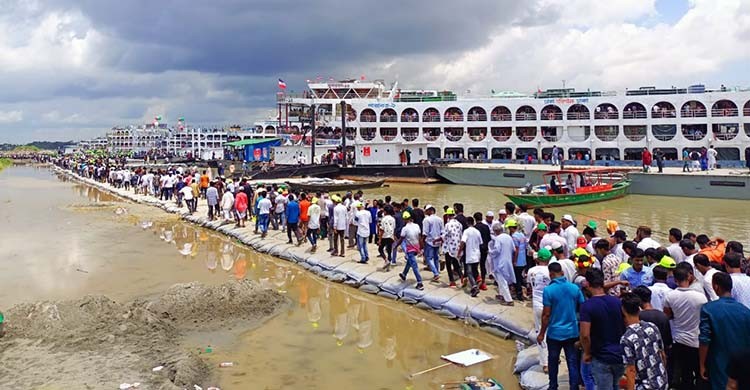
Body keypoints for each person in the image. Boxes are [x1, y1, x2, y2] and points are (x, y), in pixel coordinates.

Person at [698, 272, 750, 390]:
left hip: (719, 361)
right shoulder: (745, 310)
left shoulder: (708, 309)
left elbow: (704, 340)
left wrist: (702, 364)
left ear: (716, 287)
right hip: (741, 363)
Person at [538, 262, 584, 390]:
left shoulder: (548, 290)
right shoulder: (574, 288)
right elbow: (582, 307)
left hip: (554, 334)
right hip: (572, 332)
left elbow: (546, 315)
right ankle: (573, 387)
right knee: (572, 362)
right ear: (562, 273)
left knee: (553, 362)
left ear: (551, 274)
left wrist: (542, 333)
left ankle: (553, 386)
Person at [663, 265, 708, 389]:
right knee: (700, 372)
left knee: (685, 373)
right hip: (697, 340)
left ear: (675, 280)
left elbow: (668, 315)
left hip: (679, 339)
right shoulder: (700, 297)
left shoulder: (670, 296)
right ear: (688, 277)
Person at [579, 268, 625, 389]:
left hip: (601, 357)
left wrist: (587, 353)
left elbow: (585, 335)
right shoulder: (617, 302)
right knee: (616, 386)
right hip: (619, 355)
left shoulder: (587, 306)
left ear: (588, 284)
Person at [620, 292, 669, 390]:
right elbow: (662, 354)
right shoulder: (652, 327)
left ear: (623, 311)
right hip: (661, 382)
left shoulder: (626, 339)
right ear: (639, 310)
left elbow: (631, 371)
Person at [528, 248, 552, 371]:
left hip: (537, 304)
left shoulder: (531, 271)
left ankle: (545, 363)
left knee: (541, 333)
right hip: (550, 305)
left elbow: (529, 286)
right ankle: (553, 357)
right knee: (551, 332)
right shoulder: (550, 272)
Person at [488, 223, 515, 305]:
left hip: (500, 262)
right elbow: (513, 249)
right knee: (501, 280)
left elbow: (497, 250)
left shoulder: (498, 239)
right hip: (508, 260)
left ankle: (509, 300)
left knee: (502, 281)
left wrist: (490, 252)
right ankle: (501, 294)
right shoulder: (509, 237)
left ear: (495, 231)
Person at [396, 211, 423, 290]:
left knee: (414, 266)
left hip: (410, 249)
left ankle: (420, 283)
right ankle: (404, 274)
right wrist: (421, 247)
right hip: (416, 246)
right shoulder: (417, 226)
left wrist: (396, 246)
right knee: (409, 261)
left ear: (404, 219)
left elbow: (401, 239)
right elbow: (419, 237)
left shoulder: (405, 229)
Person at [458, 217, 483, 297]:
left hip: (469, 254)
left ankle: (474, 286)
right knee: (475, 270)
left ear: (467, 223)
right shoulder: (477, 231)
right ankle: (477, 283)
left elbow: (463, 242)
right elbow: (480, 242)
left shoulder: (466, 231)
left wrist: (459, 251)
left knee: (469, 272)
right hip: (477, 254)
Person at [442, 207, 464, 288]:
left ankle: (452, 281)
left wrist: (438, 240)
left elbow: (444, 236)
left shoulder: (447, 225)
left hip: (449, 247)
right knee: (455, 262)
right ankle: (462, 276)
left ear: (448, 215)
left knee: (448, 264)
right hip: (457, 246)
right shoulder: (459, 224)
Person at [422, 205, 443, 282]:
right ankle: (436, 272)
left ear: (430, 210)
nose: (425, 212)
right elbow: (442, 231)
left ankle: (435, 273)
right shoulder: (440, 219)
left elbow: (425, 232)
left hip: (429, 241)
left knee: (428, 258)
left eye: (426, 210)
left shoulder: (426, 220)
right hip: (437, 241)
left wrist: (422, 241)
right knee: (436, 257)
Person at [508, 220, 527, 300]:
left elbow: (516, 250)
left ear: (512, 228)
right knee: (520, 276)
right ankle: (525, 289)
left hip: (518, 261)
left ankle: (519, 294)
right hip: (523, 260)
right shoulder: (521, 235)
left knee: (517, 278)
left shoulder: (514, 237)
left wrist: (514, 261)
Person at [379, 205, 396, 270]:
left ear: (385, 211)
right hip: (390, 236)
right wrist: (393, 236)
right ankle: (388, 266)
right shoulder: (393, 219)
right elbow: (394, 228)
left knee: (380, 249)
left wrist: (380, 239)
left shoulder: (384, 219)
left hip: (384, 236)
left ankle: (386, 260)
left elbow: (381, 230)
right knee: (389, 251)